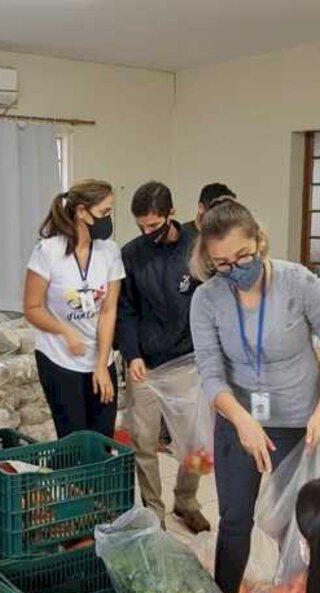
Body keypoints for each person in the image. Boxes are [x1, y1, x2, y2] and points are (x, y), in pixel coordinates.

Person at [189, 197, 320, 593]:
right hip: (239, 419)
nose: (234, 270)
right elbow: (210, 374)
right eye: (221, 263)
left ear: (260, 242)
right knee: (234, 520)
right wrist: (242, 422)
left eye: (242, 256)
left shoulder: (299, 284)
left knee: (299, 525)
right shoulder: (207, 299)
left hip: (298, 421)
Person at [118, 181, 209, 533]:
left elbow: (210, 303)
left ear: (172, 214)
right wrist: (131, 354)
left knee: (195, 441)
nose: (147, 233)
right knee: (143, 440)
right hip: (146, 363)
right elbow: (125, 309)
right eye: (141, 226)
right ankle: (153, 511)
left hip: (190, 360)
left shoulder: (196, 248)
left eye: (154, 226)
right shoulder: (132, 254)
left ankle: (187, 501)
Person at [25, 179, 125, 438]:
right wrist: (64, 331)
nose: (108, 219)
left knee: (102, 439)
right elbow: (32, 307)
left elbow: (108, 310)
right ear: (81, 211)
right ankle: (71, 481)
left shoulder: (110, 252)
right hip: (58, 358)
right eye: (104, 213)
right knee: (73, 440)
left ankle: (98, 481)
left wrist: (101, 364)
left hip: (99, 356)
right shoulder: (48, 251)